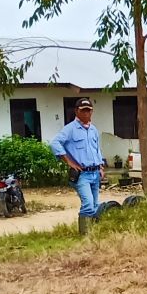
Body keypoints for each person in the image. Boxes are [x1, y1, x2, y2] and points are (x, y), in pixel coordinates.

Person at [51, 98, 105, 235]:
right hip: (82, 175)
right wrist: (68, 161)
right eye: (83, 110)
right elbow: (55, 143)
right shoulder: (70, 129)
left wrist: (100, 167)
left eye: (89, 110)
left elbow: (96, 149)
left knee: (94, 205)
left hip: (95, 173)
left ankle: (94, 234)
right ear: (77, 111)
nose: (86, 113)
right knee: (87, 205)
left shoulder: (93, 130)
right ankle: (85, 235)